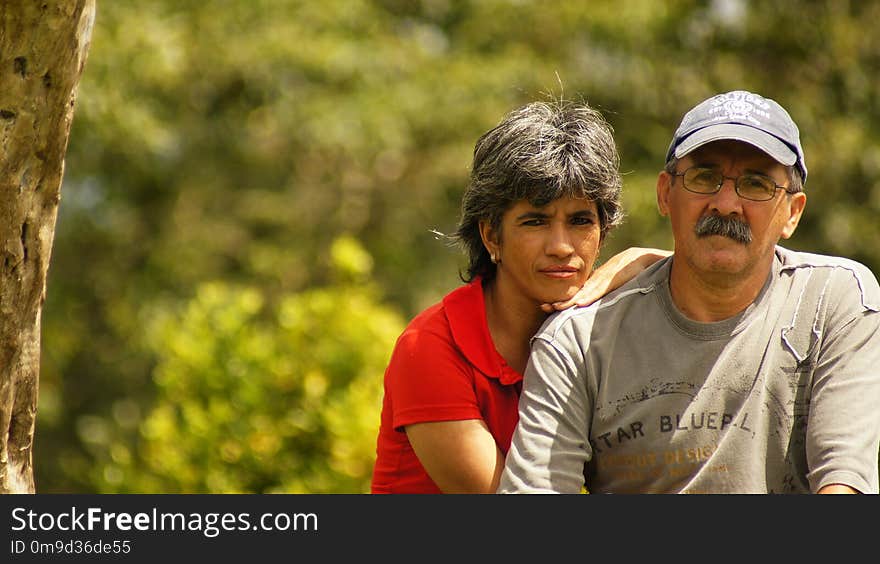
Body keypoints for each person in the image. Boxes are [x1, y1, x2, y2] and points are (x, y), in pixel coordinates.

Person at [498, 89, 880, 494]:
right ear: (665, 193)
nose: (727, 203)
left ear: (793, 212)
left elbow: (844, 483)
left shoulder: (835, 302)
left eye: (756, 184)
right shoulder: (579, 340)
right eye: (705, 177)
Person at [370, 99, 670, 493]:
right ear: (491, 235)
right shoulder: (430, 348)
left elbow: (729, 277)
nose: (562, 246)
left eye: (581, 221)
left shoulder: (599, 330)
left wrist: (647, 260)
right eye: (535, 221)